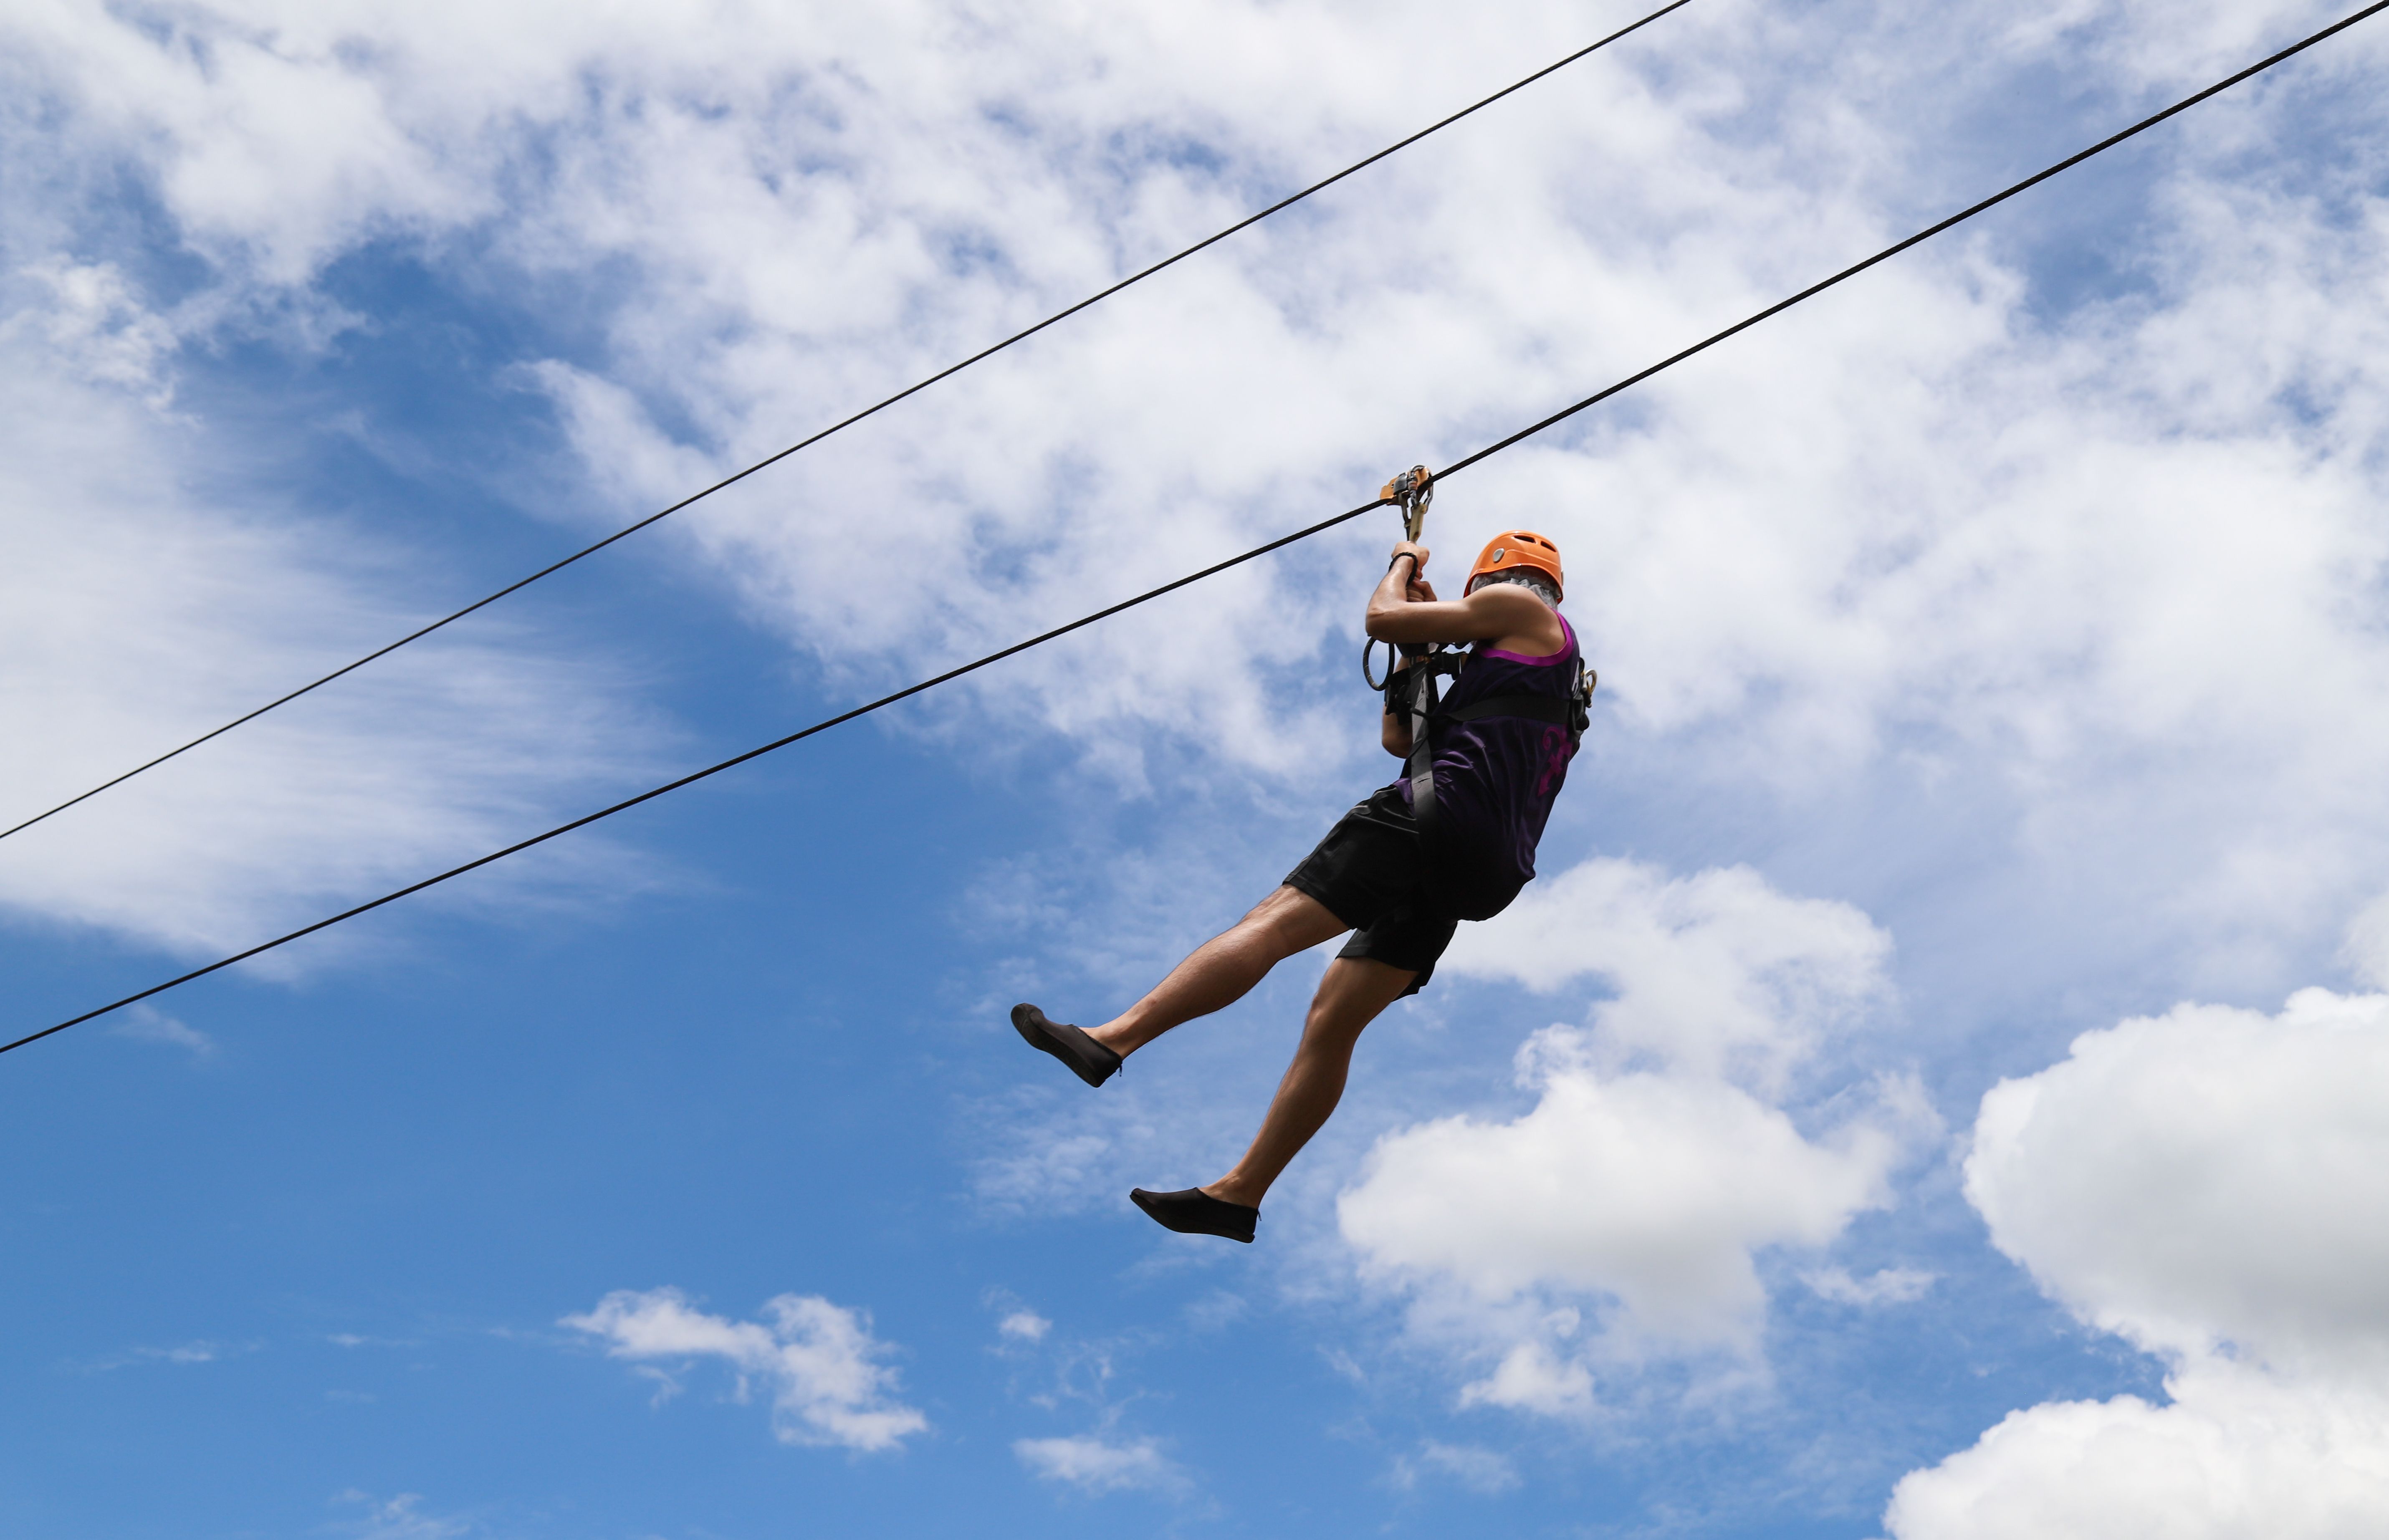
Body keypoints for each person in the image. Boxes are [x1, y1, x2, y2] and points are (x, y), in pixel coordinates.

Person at [1010, 526, 1585, 1243]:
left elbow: (1377, 617)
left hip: (1434, 817)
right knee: (1333, 1020)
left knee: (1274, 923)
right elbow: (1403, 740)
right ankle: (1239, 1195)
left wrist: (1402, 563)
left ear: (1491, 587)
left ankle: (1112, 1040)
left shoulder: (1527, 614)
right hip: (1480, 868)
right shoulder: (1540, 674)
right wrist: (1419, 655)